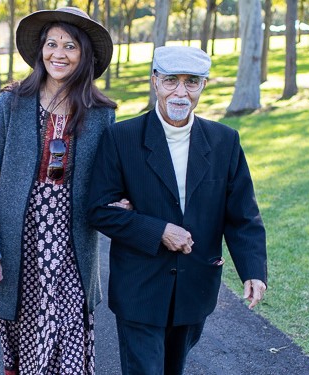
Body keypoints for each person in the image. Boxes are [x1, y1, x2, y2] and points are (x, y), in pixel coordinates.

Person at [86, 46, 269, 375]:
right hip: (139, 287)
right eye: (171, 80)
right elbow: (98, 210)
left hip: (194, 286)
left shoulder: (225, 141)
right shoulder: (120, 137)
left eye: (192, 82)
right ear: (154, 81)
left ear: (204, 85)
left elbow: (242, 215)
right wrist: (159, 232)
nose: (181, 92)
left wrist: (253, 270)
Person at [0, 7, 119, 375]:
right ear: (40, 51)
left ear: (84, 54)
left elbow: (109, 177)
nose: (59, 53)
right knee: (25, 338)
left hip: (72, 245)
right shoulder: (11, 103)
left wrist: (118, 199)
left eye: (70, 46)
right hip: (20, 245)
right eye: (51, 44)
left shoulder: (101, 112)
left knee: (68, 338)